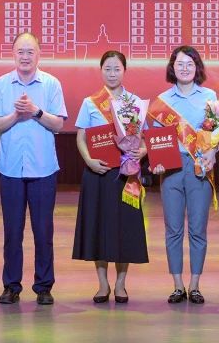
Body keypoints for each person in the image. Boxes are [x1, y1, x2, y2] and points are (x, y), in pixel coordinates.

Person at [0, 32, 67, 305]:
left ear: (38, 55)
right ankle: (11, 285)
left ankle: (44, 286)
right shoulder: (1, 84)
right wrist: (15, 115)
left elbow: (59, 125)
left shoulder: (51, 84)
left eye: (30, 51)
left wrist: (35, 111)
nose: (25, 57)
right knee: (12, 232)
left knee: (43, 232)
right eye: (20, 51)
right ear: (13, 54)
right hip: (10, 170)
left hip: (43, 170)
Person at [71, 51, 148, 305]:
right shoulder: (90, 102)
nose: (112, 74)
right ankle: (103, 283)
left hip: (126, 174)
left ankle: (121, 284)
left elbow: (144, 138)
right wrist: (88, 161)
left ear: (124, 71)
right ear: (101, 70)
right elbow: (81, 137)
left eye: (117, 69)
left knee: (125, 228)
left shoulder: (135, 102)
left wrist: (142, 151)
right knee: (99, 226)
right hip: (98, 172)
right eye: (108, 69)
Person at [148, 45, 219, 305]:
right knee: (173, 229)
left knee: (198, 229)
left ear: (197, 67)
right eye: (180, 64)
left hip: (199, 167)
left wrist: (214, 151)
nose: (185, 68)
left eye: (190, 63)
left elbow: (217, 134)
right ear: (172, 67)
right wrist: (156, 162)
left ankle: (195, 285)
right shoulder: (162, 100)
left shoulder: (210, 97)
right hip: (171, 169)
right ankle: (178, 286)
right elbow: (155, 139)